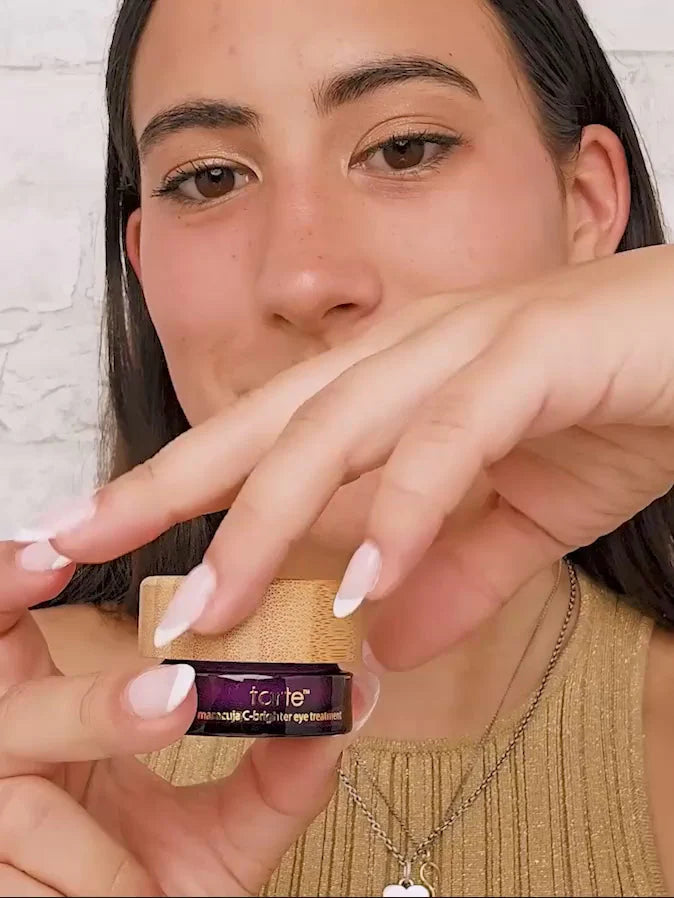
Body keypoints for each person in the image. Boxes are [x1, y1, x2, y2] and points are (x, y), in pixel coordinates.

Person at [3, 0, 674, 894]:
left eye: (404, 148)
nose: (303, 279)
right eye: (208, 179)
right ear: (143, 264)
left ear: (586, 205)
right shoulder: (25, 749)